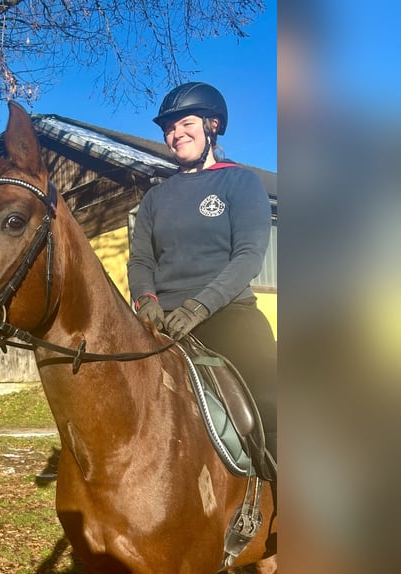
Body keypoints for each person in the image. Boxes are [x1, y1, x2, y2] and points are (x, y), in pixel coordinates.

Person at [127, 81, 277, 460]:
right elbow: (141, 259)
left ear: (212, 125)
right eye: (169, 129)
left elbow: (247, 256)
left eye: (185, 124)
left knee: (272, 398)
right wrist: (146, 299)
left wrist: (199, 306)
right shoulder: (155, 197)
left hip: (226, 312)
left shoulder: (240, 182)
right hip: (162, 319)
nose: (175, 135)